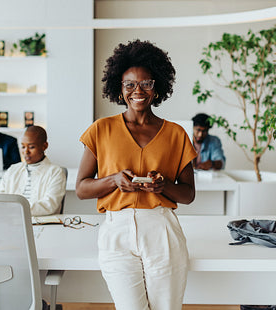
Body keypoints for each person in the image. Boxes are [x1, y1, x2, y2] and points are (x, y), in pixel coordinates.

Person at [76, 40, 196, 310]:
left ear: (157, 87)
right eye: (129, 84)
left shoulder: (176, 134)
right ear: (119, 88)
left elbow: (188, 194)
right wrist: (113, 180)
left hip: (162, 229)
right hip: (116, 231)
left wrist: (163, 187)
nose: (137, 91)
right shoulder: (101, 130)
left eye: (146, 83)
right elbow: (82, 188)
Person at [0, 125, 66, 216]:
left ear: (44, 146)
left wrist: (16, 209)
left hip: (42, 224)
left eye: (31, 147)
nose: (26, 152)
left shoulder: (55, 172)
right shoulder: (13, 170)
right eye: (23, 147)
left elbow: (49, 205)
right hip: (11, 221)